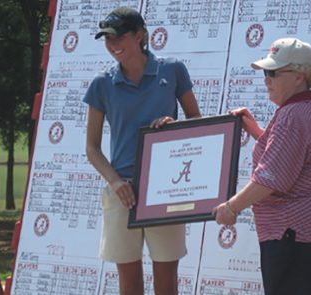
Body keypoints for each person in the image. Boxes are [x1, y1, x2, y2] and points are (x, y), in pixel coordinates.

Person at [213, 37, 311, 295]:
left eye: (273, 73)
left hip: (297, 234)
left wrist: (231, 208)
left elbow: (271, 177)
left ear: (299, 76)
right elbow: (293, 156)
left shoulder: (293, 115)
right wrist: (256, 131)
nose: (267, 79)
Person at [84, 7, 201, 295]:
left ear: (140, 36)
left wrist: (174, 127)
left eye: (118, 37)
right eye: (107, 39)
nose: (112, 45)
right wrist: (115, 182)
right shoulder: (102, 83)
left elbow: (198, 125)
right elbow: (92, 147)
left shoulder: (172, 70)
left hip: (166, 190)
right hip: (122, 192)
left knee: (166, 283)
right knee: (130, 285)